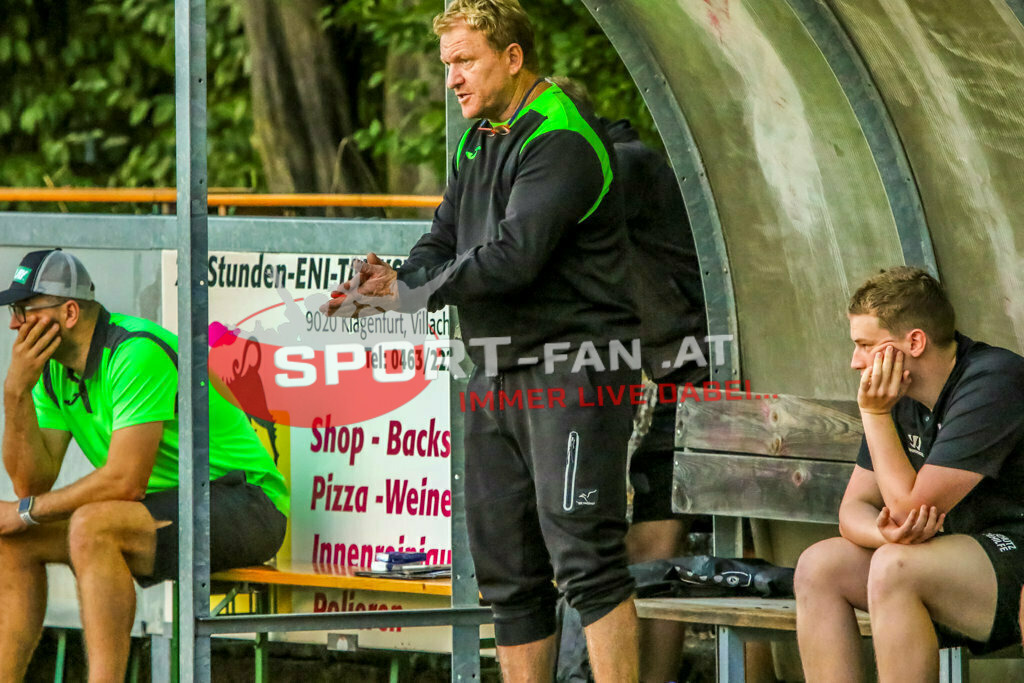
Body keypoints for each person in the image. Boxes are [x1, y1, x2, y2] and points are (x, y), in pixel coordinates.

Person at [324, 1, 640, 679]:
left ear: (514, 57)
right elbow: (444, 236)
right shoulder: (480, 134)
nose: (452, 80)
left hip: (576, 370)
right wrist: (390, 279)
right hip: (493, 372)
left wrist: (408, 294)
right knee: (507, 571)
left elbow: (511, 258)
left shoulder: (561, 138)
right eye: (447, 65)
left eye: (464, 61)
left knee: (586, 561)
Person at [0, 249, 289, 682]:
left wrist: (26, 511)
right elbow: (32, 481)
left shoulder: (135, 352)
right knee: (15, 542)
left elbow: (125, 480)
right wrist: (15, 394)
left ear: (70, 312)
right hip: (171, 505)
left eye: (24, 311)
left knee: (91, 526)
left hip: (248, 503)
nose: (13, 325)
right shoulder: (53, 373)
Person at [794, 266, 1024, 681]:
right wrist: (886, 535)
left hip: (1013, 557)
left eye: (865, 345)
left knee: (895, 567)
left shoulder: (993, 380)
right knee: (819, 565)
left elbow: (909, 508)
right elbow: (853, 510)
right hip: (944, 555)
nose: (855, 362)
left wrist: (874, 413)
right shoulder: (898, 391)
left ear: (914, 342)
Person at [553, 76, 709, 683]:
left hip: (681, 377)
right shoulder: (602, 165)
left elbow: (536, 236)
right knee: (607, 544)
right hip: (632, 380)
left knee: (653, 548)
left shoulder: (627, 167)